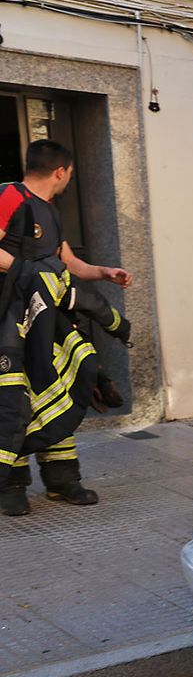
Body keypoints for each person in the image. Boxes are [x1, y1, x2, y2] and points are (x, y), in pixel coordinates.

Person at [0, 140, 134, 514]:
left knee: (59, 391)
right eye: (70, 175)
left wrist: (104, 273)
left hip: (49, 322)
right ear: (61, 171)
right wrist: (31, 273)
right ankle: (11, 485)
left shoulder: (50, 211)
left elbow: (68, 261)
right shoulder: (9, 196)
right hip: (8, 321)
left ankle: (63, 480)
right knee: (14, 402)